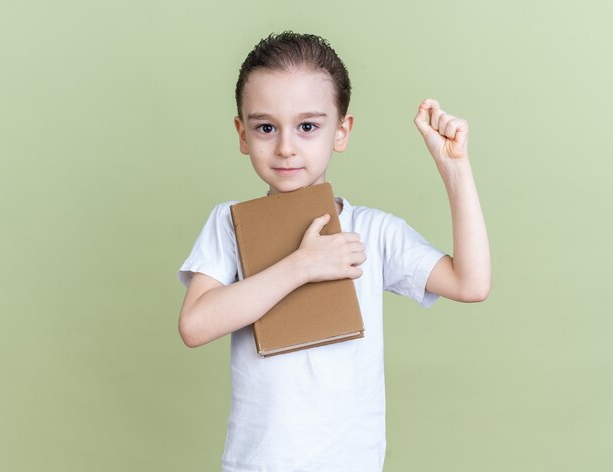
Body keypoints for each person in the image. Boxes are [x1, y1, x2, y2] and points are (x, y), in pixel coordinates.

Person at [177, 31, 491, 472]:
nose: (286, 146)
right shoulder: (229, 223)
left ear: (341, 130)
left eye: (308, 126)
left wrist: (455, 169)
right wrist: (301, 266)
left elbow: (471, 283)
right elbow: (195, 325)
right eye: (266, 127)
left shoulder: (374, 232)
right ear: (242, 133)